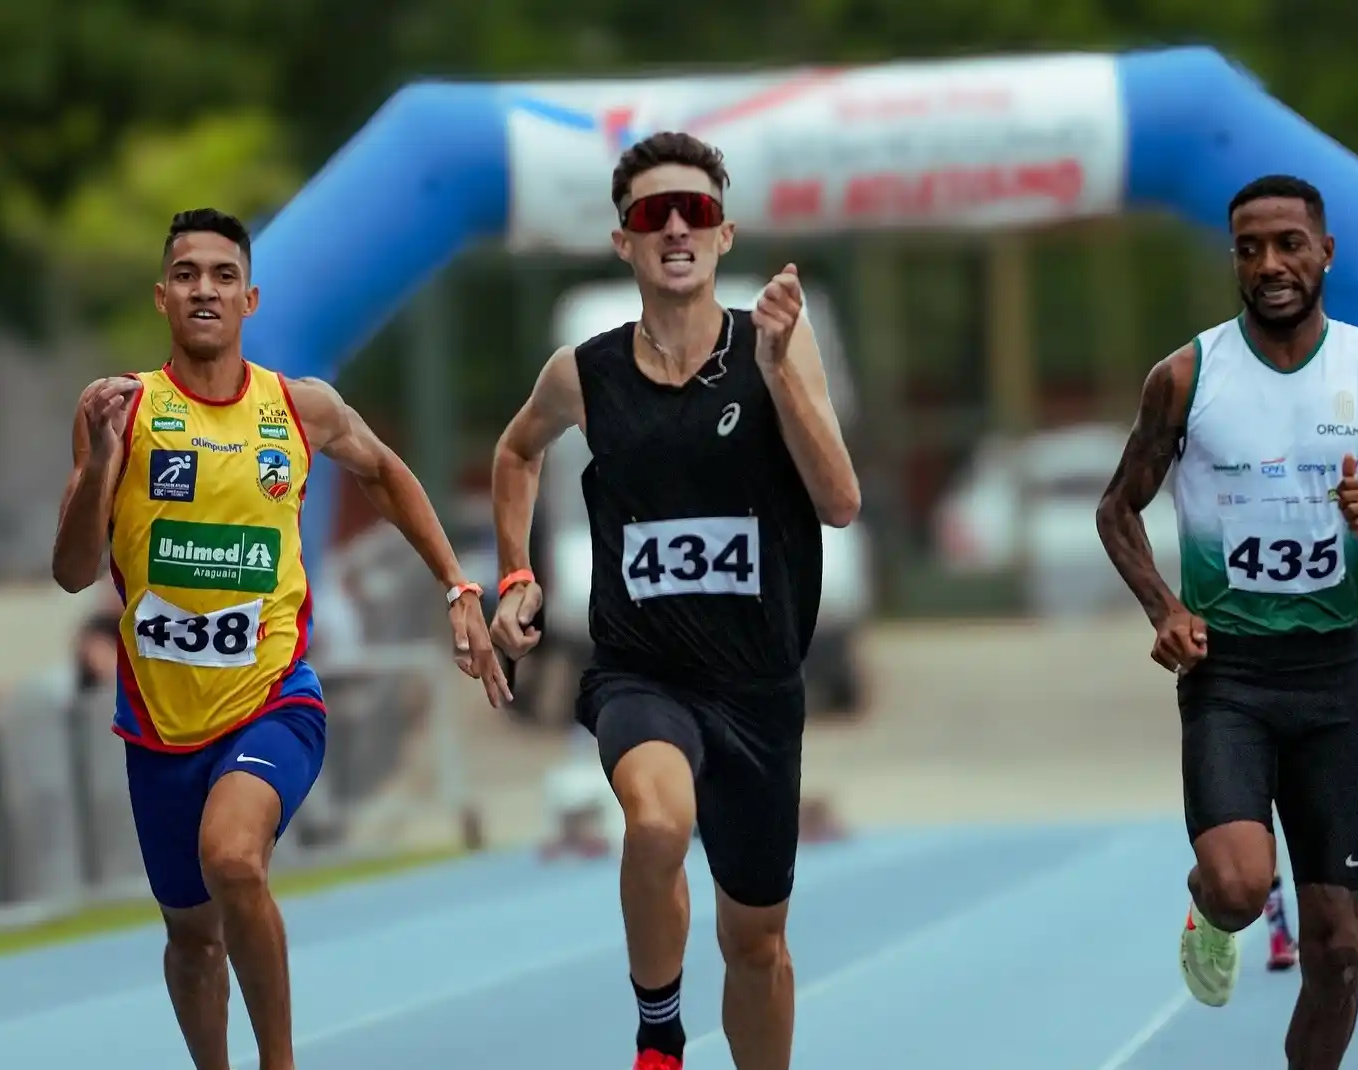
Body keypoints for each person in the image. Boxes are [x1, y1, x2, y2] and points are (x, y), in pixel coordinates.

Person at [51, 208, 508, 1070]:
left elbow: (386, 471)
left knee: (233, 858)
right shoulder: (122, 410)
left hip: (274, 700)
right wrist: (101, 463)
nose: (205, 289)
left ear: (250, 298)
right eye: (187, 274)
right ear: (162, 296)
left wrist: (457, 585)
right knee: (191, 943)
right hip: (158, 724)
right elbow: (75, 571)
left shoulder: (299, 408)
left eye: (223, 275)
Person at [489, 132, 860, 1070]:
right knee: (656, 822)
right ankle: (660, 1036)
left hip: (758, 688)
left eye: (695, 209)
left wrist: (779, 374)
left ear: (724, 234)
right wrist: (515, 574)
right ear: (626, 243)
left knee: (757, 943)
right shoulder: (585, 371)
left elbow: (840, 502)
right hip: (639, 674)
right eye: (655, 213)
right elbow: (516, 451)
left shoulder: (776, 346)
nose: (677, 226)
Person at [1096, 174, 1358, 1068]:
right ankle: (1211, 908)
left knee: (1339, 951)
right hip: (1228, 675)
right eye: (1249, 248)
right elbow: (1116, 510)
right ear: (1233, 258)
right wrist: (1164, 608)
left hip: (1330, 680)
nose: (1269, 265)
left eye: (1287, 245)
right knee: (1239, 889)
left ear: (1324, 253)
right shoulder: (1186, 376)